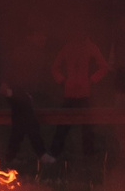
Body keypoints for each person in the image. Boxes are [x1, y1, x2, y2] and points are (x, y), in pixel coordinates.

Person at [48, 28, 112, 163]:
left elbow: (104, 67)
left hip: (84, 92)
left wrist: (91, 80)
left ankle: (87, 155)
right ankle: (54, 154)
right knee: (63, 125)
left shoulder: (90, 47)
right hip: (70, 92)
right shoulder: (68, 47)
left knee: (87, 125)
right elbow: (55, 67)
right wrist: (63, 81)